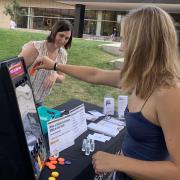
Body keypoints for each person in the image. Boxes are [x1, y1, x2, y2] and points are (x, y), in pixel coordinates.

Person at [32, 5, 180, 180]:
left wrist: (117, 162)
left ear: (143, 44)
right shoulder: (141, 78)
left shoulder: (169, 93)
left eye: (124, 40)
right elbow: (95, 75)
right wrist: (54, 65)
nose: (121, 48)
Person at [19, 20, 73, 106]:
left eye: (67, 38)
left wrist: (55, 76)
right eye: (61, 35)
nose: (63, 40)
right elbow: (13, 70)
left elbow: (62, 77)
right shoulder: (35, 48)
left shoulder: (63, 54)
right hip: (21, 99)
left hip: (39, 102)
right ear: (54, 32)